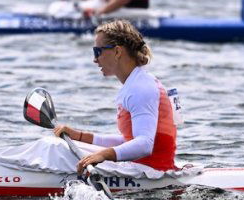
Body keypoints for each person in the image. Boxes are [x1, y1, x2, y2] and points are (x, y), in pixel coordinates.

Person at [53, 20, 177, 174]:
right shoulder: (136, 82)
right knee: (57, 146)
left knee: (55, 149)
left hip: (150, 172)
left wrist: (104, 154)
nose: (95, 59)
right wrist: (79, 136)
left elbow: (145, 144)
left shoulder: (140, 88)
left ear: (117, 52)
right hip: (141, 166)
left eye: (97, 51)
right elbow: (128, 141)